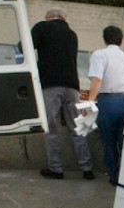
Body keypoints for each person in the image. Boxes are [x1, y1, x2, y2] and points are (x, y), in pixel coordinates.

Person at [32, 9, 94, 180]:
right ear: (63, 18)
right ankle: (87, 168)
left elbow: (24, 47)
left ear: (48, 17)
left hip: (50, 85)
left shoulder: (42, 28)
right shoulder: (72, 34)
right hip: (72, 86)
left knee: (50, 128)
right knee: (77, 128)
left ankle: (56, 169)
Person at [86, 25, 124, 185]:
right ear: (121, 41)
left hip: (108, 102)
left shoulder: (99, 55)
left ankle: (114, 177)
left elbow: (97, 79)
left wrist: (89, 103)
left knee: (108, 141)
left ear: (104, 39)